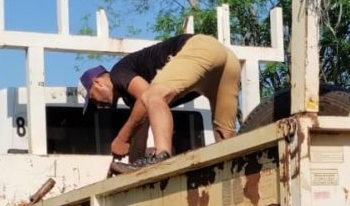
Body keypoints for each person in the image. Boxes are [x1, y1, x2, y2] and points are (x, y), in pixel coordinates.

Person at [79, 33, 240, 170]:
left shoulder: (118, 73)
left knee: (153, 96)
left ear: (97, 82)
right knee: (226, 140)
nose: (99, 106)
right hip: (227, 61)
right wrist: (130, 168)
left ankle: (162, 153)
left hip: (202, 48)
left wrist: (122, 138)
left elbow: (147, 95)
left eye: (93, 98)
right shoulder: (134, 101)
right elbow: (139, 133)